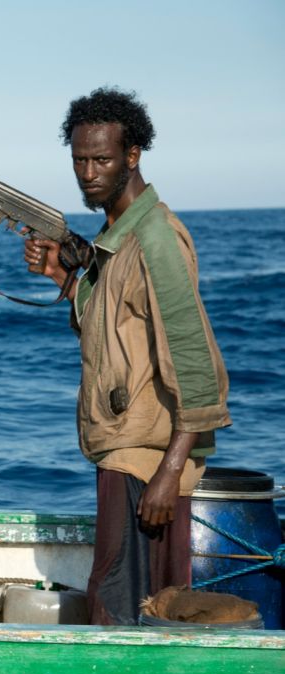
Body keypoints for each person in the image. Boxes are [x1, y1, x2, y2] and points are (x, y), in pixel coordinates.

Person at [24, 87, 231, 625]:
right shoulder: (115, 239)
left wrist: (171, 469)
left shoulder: (156, 238)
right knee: (134, 601)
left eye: (102, 159)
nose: (88, 172)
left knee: (118, 599)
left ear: (132, 156)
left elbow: (194, 361)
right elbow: (114, 336)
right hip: (123, 447)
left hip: (147, 457)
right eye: (79, 160)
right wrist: (65, 280)